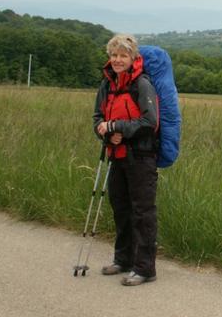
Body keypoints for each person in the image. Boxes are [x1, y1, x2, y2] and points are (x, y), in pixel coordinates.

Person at [93, 34, 159, 286]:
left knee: (142, 212)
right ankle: (123, 260)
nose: (117, 60)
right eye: (114, 55)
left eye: (123, 55)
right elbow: (97, 118)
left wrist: (117, 127)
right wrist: (106, 132)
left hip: (141, 157)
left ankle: (145, 269)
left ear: (133, 58)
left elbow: (150, 122)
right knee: (120, 208)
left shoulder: (142, 84)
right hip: (116, 156)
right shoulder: (107, 84)